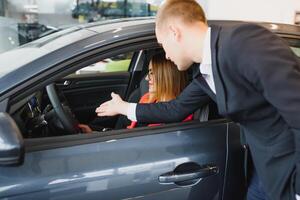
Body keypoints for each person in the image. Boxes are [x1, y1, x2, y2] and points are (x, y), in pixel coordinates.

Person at [95, 1, 300, 200]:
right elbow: (175, 109)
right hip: (264, 172)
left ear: (174, 33)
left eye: (162, 45)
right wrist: (123, 107)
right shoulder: (206, 74)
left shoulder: (243, 42)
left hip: (291, 171)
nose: (165, 55)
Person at [79, 52, 193, 132]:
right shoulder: (147, 98)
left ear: (166, 77)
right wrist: (95, 133)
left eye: (152, 73)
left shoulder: (175, 119)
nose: (147, 78)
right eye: (149, 72)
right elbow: (129, 132)